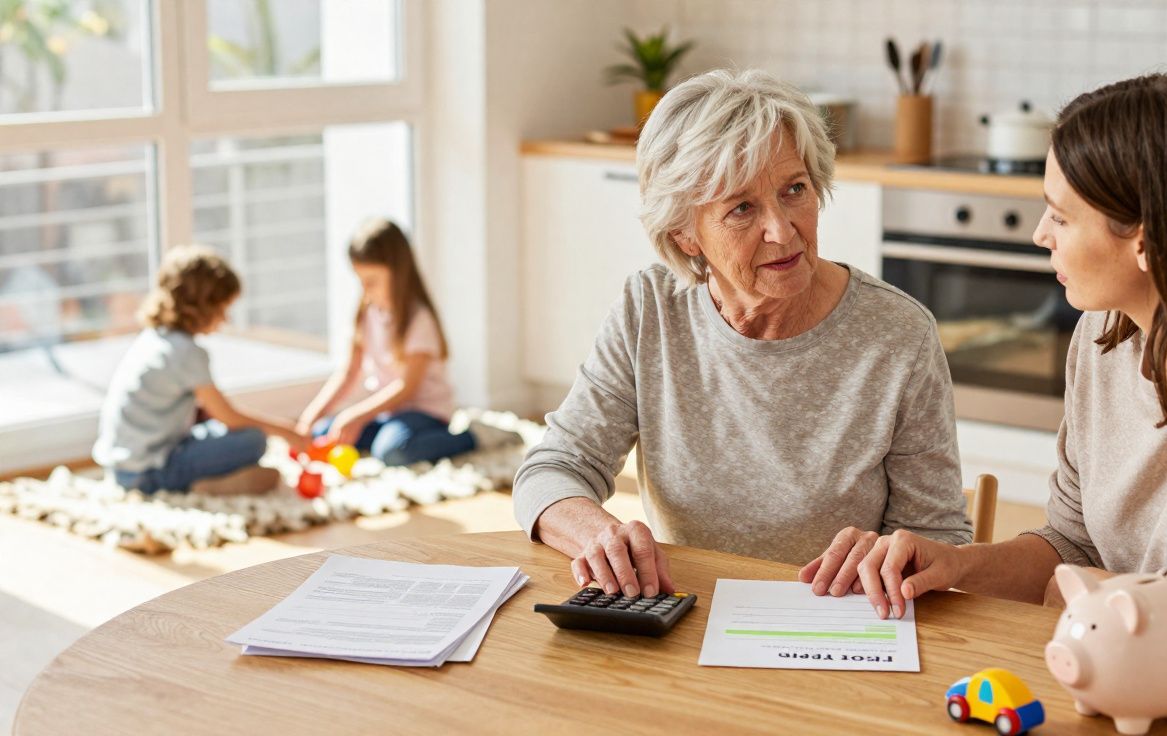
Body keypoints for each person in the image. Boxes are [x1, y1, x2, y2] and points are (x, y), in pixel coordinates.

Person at [823, 73, 1167, 664]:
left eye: (1059, 217)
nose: (1039, 234)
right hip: (1115, 669)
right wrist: (954, 566)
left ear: (1146, 241)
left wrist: (1084, 591)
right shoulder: (1104, 333)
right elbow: (1072, 545)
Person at [513, 69, 972, 602]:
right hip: (686, 611)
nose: (782, 229)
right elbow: (552, 469)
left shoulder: (898, 334)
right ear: (685, 234)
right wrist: (598, 535)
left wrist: (892, 556)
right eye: (742, 208)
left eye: (794, 190)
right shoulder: (651, 309)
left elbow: (938, 538)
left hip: (835, 619)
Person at [94, 245, 306, 494]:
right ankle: (200, 485)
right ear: (203, 307)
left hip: (123, 466)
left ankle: (215, 480)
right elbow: (228, 417)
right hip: (148, 471)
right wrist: (287, 432)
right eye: (222, 310)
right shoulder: (187, 353)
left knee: (215, 430)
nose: (225, 319)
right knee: (253, 440)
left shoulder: (154, 338)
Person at [298, 218, 512, 465]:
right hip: (388, 413)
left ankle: (473, 436)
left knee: (392, 452)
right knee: (323, 432)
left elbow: (406, 388)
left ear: (397, 273)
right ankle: (377, 435)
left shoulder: (418, 319)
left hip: (425, 412)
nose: (365, 290)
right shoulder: (367, 314)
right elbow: (348, 373)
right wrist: (310, 417)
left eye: (371, 281)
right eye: (360, 281)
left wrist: (357, 414)